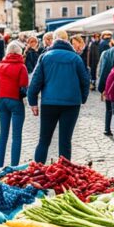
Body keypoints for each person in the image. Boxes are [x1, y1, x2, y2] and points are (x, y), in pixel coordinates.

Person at [27, 31, 90, 163]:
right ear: (67, 41)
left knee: (44, 140)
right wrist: (82, 99)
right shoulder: (75, 58)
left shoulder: (45, 57)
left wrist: (32, 101)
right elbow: (85, 81)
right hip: (71, 104)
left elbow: (35, 81)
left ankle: (37, 171)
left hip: (49, 103)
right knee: (65, 141)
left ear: (54, 39)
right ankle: (65, 173)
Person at [0, 42, 29, 168]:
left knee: (3, 134)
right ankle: (14, 167)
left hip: (2, 101)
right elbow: (24, 85)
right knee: (16, 136)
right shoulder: (21, 67)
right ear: (19, 53)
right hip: (15, 101)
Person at [97, 35, 114, 136]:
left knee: (109, 108)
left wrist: (102, 86)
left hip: (107, 82)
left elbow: (102, 69)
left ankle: (107, 129)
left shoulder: (107, 52)